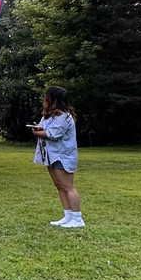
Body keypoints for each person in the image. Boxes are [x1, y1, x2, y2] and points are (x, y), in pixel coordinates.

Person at [32, 86, 84, 228]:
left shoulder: (64, 117)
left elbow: (53, 134)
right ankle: (68, 216)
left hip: (62, 156)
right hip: (51, 155)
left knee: (68, 187)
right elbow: (45, 129)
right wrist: (39, 129)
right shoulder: (49, 116)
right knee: (59, 185)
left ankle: (77, 218)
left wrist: (38, 133)